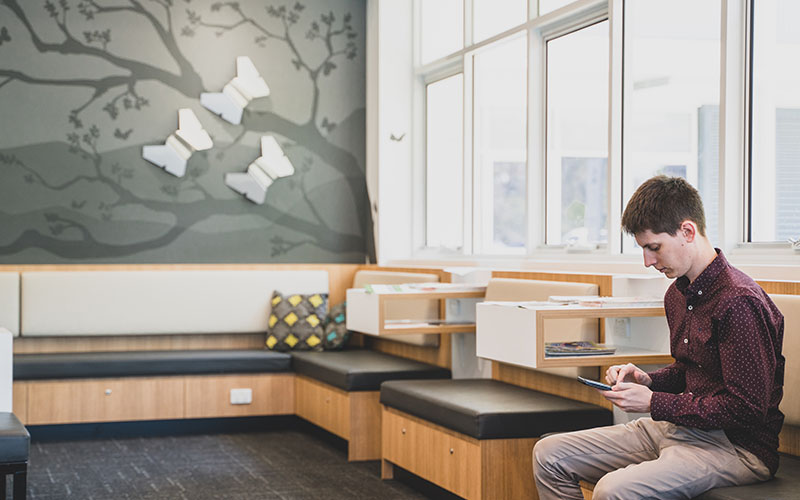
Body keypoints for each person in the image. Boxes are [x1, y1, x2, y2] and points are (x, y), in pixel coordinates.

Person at [533, 175, 785, 500]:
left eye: (654, 248)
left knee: (612, 491)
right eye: (643, 249)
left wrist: (653, 403)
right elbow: (691, 373)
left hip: (737, 448)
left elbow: (747, 409)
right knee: (549, 454)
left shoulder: (738, 301)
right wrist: (647, 380)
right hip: (680, 430)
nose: (648, 261)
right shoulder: (677, 295)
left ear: (687, 232)